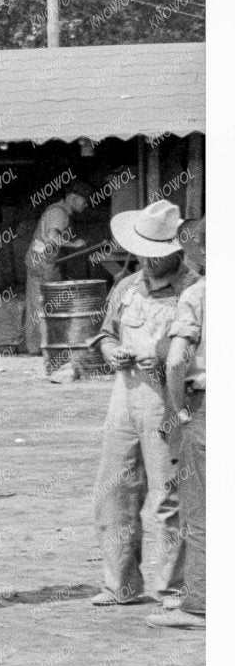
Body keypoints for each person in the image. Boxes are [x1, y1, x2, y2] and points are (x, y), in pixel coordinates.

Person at [90, 200, 194, 610]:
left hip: (168, 401)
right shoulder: (127, 286)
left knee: (169, 498)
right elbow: (104, 334)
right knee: (114, 492)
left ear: (176, 251)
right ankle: (121, 585)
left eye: (157, 256)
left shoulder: (195, 290)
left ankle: (173, 589)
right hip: (124, 396)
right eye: (142, 255)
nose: (148, 264)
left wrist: (169, 357)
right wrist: (111, 350)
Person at [158, 245, 205, 629]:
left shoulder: (198, 294)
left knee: (201, 512)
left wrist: (180, 410)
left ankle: (200, 604)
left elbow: (175, 360)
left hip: (207, 408)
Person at [24, 185, 92, 355]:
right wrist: (74, 244)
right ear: (72, 198)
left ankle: (39, 345)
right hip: (42, 263)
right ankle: (40, 346)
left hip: (41, 261)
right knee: (43, 304)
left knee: (38, 303)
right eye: (84, 200)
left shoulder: (59, 211)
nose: (86, 205)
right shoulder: (59, 213)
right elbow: (54, 238)